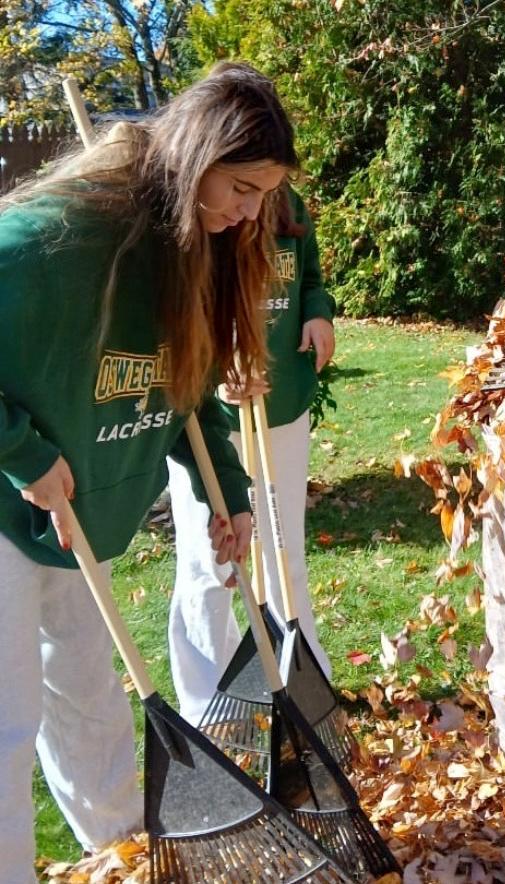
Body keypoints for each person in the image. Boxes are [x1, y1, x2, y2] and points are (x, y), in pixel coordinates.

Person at [0, 62, 297, 883]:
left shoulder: (190, 248)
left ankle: (123, 852)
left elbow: (188, 391)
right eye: (239, 187)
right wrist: (22, 452)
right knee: (8, 721)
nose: (246, 214)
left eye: (260, 196)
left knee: (89, 698)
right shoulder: (56, 238)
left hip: (79, 514)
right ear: (196, 157)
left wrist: (227, 496)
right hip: (6, 502)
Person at [167, 184, 335, 724]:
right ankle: (210, 706)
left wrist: (317, 313)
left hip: (282, 405)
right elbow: (172, 316)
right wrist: (218, 371)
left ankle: (304, 689)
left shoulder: (286, 203)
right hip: (212, 423)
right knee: (212, 561)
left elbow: (309, 277)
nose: (253, 199)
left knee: (283, 551)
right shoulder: (194, 212)